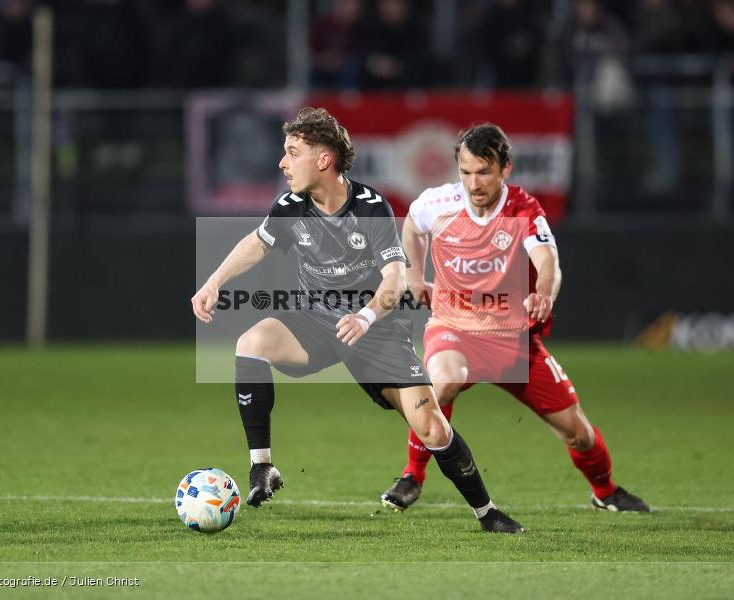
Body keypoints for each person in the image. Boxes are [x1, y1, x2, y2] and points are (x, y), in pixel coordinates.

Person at [191, 108, 523, 533]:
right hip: (315, 321)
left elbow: (395, 279)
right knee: (251, 344)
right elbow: (258, 242)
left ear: (323, 159)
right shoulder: (290, 205)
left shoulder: (369, 207)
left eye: (292, 152)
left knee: (432, 428)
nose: (283, 162)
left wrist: (365, 317)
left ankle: (487, 513)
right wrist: (214, 281)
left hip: (375, 331)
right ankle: (262, 466)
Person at [380, 123, 650, 514]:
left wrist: (544, 293)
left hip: (512, 340)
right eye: (466, 172)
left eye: (484, 171)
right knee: (443, 382)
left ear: (505, 169)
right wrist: (414, 274)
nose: (474, 183)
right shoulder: (437, 203)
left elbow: (548, 261)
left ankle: (605, 492)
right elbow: (412, 226)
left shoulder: (523, 210)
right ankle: (412, 476)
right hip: (454, 327)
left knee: (578, 433)